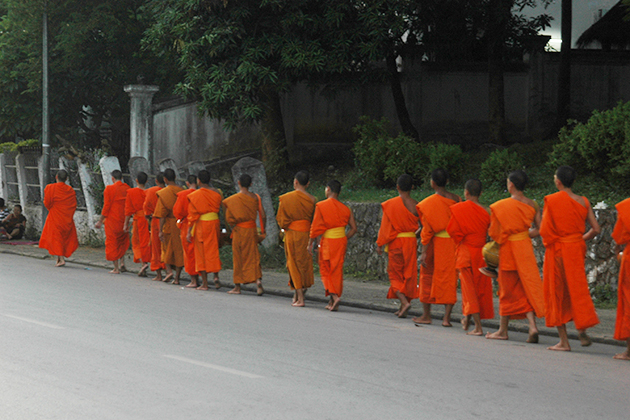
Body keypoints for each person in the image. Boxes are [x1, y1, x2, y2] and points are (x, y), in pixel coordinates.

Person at [540, 166, 601, 351]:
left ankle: (564, 341)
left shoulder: (552, 200)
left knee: (558, 292)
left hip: (558, 250)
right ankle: (582, 329)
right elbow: (596, 229)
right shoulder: (583, 201)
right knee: (577, 288)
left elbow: (544, 230)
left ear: (558, 181)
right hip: (575, 248)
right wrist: (578, 239)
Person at [485, 170, 545, 343]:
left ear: (510, 184)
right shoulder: (532, 204)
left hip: (508, 251)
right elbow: (539, 229)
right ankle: (532, 326)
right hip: (525, 249)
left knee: (507, 290)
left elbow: (495, 234)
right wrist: (524, 235)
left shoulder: (500, 206)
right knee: (524, 288)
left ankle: (503, 331)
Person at [413, 168, 461, 327]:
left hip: (434, 244)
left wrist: (423, 252)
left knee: (427, 276)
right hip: (452, 244)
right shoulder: (457, 199)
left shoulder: (427, 204)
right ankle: (446, 319)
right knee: (449, 279)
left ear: (432, 183)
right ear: (447, 182)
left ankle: (426, 315)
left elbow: (427, 231)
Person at [446, 179, 493, 336]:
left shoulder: (459, 209)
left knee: (469, 291)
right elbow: (491, 232)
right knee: (479, 289)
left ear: (466, 192)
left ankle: (478, 327)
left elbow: (453, 231)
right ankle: (467, 318)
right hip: (481, 254)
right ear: (480, 193)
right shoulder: (486, 211)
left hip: (466, 252)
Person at [308, 180, 357, 311]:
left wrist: (310, 244)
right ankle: (332, 301)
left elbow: (315, 228)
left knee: (325, 269)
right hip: (341, 241)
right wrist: (343, 238)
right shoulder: (346, 208)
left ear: (328, 189)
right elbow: (353, 229)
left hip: (328, 241)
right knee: (337, 270)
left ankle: (334, 297)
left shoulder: (321, 206)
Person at [376, 174, 420, 318]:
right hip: (410, 242)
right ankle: (403, 306)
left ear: (397, 187)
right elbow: (424, 226)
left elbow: (385, 227)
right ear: (412, 187)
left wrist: (380, 243)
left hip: (396, 242)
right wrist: (415, 234)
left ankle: (404, 302)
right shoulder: (416, 205)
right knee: (409, 273)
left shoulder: (391, 204)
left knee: (394, 274)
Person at [276, 170, 317, 307]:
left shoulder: (286, 198)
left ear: (295, 182)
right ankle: (298, 293)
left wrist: (284, 227)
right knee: (304, 264)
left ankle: (301, 299)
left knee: (293, 264)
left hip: (292, 234)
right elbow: (314, 220)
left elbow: (281, 220)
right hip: (306, 234)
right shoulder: (312, 200)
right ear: (308, 184)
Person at [222, 174, 265, 295]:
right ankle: (258, 281)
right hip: (251, 230)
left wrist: (232, 229)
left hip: (239, 230)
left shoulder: (232, 200)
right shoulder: (255, 198)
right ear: (251, 184)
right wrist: (263, 231)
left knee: (238, 257)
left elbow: (229, 219)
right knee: (254, 256)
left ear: (238, 183)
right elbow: (263, 215)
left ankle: (237, 287)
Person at [187, 170, 223, 291]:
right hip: (215, 223)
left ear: (198, 181)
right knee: (213, 250)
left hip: (202, 224)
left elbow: (192, 215)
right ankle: (216, 277)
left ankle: (205, 284)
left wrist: (188, 231)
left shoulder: (196, 195)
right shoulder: (218, 192)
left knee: (201, 252)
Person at [38, 170, 79, 266]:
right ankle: (59, 258)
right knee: (63, 237)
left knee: (56, 237)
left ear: (56, 177)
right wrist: (68, 214)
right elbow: (73, 205)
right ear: (67, 179)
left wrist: (52, 210)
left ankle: (61, 259)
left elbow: (47, 202)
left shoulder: (50, 187)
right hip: (66, 217)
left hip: (55, 215)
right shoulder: (70, 190)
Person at [95, 170, 130, 274]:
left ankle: (116, 268)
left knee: (113, 242)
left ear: (113, 179)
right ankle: (123, 263)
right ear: (122, 178)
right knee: (122, 242)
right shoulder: (127, 188)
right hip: (124, 220)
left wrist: (100, 221)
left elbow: (106, 207)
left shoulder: (109, 189)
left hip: (112, 220)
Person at [153, 168, 185, 284]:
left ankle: (169, 271)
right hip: (181, 224)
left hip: (169, 223)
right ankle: (177, 277)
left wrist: (160, 230)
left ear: (165, 179)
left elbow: (161, 214)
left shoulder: (164, 193)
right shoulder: (182, 191)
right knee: (179, 250)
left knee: (166, 249)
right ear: (175, 178)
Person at [173, 174, 200, 288]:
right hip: (201, 224)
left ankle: (193, 280)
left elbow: (177, 212)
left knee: (189, 252)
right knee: (198, 252)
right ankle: (200, 278)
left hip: (187, 225)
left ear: (187, 183)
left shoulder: (184, 195)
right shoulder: (201, 194)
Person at [123, 171, 151, 277]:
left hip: (138, 219)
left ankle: (143, 263)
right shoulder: (149, 192)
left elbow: (128, 210)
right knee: (146, 241)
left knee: (136, 242)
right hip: (148, 219)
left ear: (136, 180)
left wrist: (125, 224)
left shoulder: (131, 192)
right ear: (147, 181)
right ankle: (145, 262)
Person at [613, 197, 630, 361]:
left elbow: (619, 237)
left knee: (628, 302)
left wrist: (618, 251)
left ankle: (629, 351)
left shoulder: (627, 207)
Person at [144, 172, 168, 281]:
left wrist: (148, 216)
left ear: (156, 181)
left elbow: (146, 207)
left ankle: (159, 275)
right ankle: (170, 271)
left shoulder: (151, 191)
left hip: (155, 220)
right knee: (167, 246)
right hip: (168, 221)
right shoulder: (170, 192)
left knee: (156, 247)